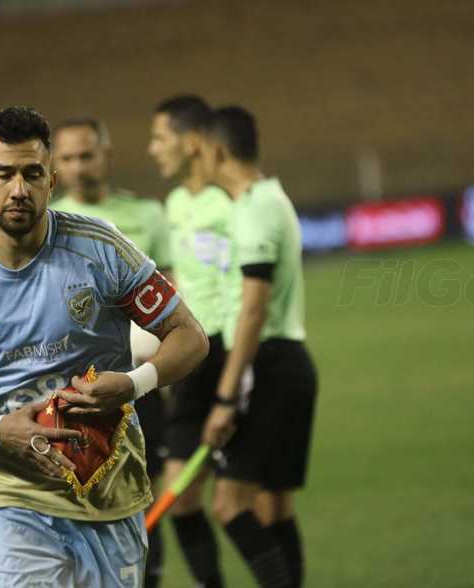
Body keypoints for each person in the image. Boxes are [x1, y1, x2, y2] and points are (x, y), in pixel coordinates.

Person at [0, 106, 209, 587]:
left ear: (51, 181)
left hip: (106, 485)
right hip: (7, 489)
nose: (18, 189)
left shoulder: (101, 249)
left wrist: (133, 384)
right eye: (4, 174)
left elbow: (190, 336)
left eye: (32, 173)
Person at [49, 116, 172, 587]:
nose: (79, 167)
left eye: (87, 155)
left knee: (144, 489)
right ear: (56, 165)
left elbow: (171, 296)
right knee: (76, 495)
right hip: (73, 388)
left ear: (107, 156)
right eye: (68, 158)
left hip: (138, 379)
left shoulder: (149, 215)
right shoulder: (49, 222)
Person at [200, 106, 318, 588]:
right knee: (274, 506)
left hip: (268, 366)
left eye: (201, 154)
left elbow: (253, 309)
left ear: (218, 152)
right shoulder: (270, 199)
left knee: (229, 504)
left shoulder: (253, 209)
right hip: (288, 363)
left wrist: (225, 397)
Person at [147, 95, 232, 588]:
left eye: (160, 137)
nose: (153, 149)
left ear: (192, 141)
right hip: (191, 362)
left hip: (232, 357)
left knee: (248, 503)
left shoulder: (231, 202)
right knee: (180, 498)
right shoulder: (175, 205)